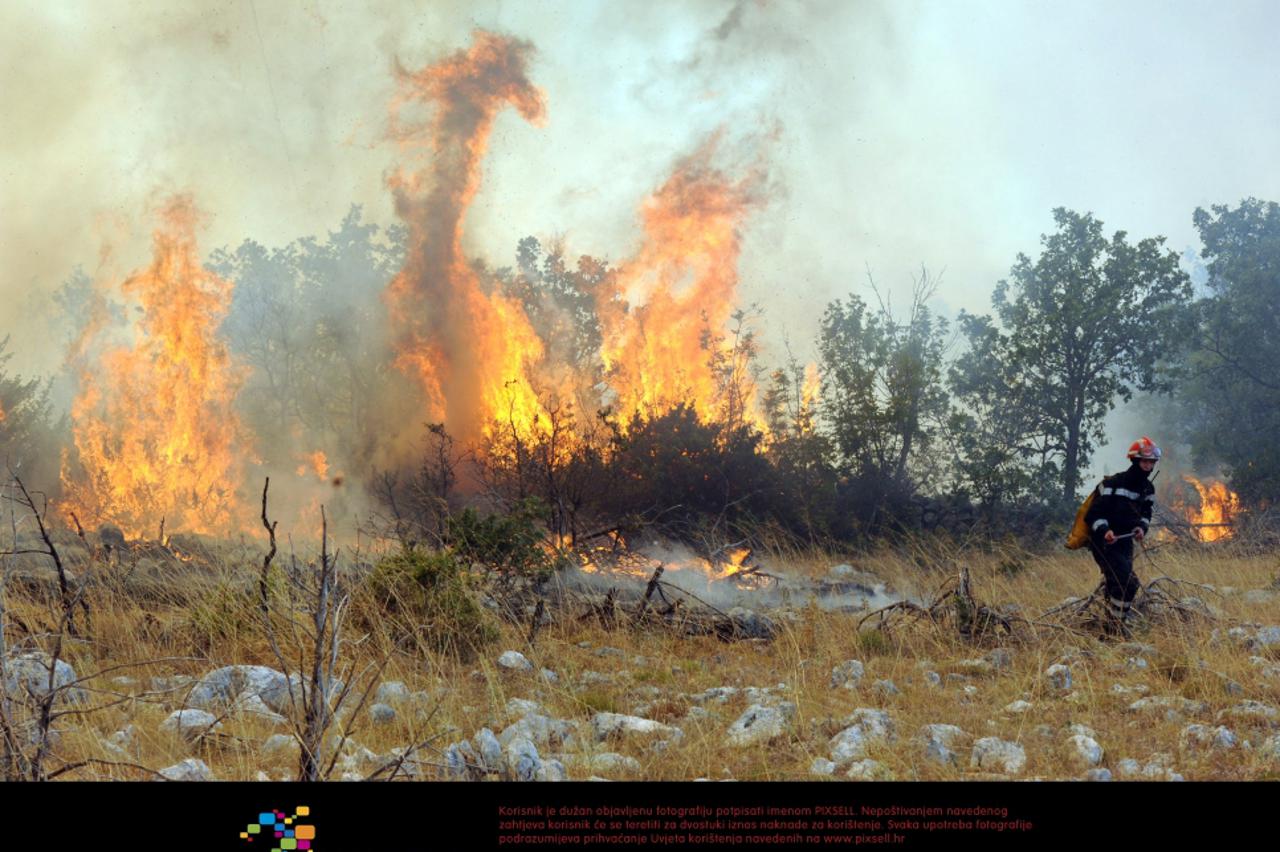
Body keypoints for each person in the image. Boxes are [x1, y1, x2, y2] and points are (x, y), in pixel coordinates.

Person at [1084, 436, 1159, 635]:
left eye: (1151, 462)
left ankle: (1110, 629)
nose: (1148, 466)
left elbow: (1146, 513)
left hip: (1126, 543)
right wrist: (1105, 531)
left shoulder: (1148, 489)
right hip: (1104, 543)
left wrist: (1142, 528)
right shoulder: (1113, 484)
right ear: (1135, 461)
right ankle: (1114, 629)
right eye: (1144, 461)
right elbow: (1092, 515)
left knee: (1116, 583)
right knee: (1129, 583)